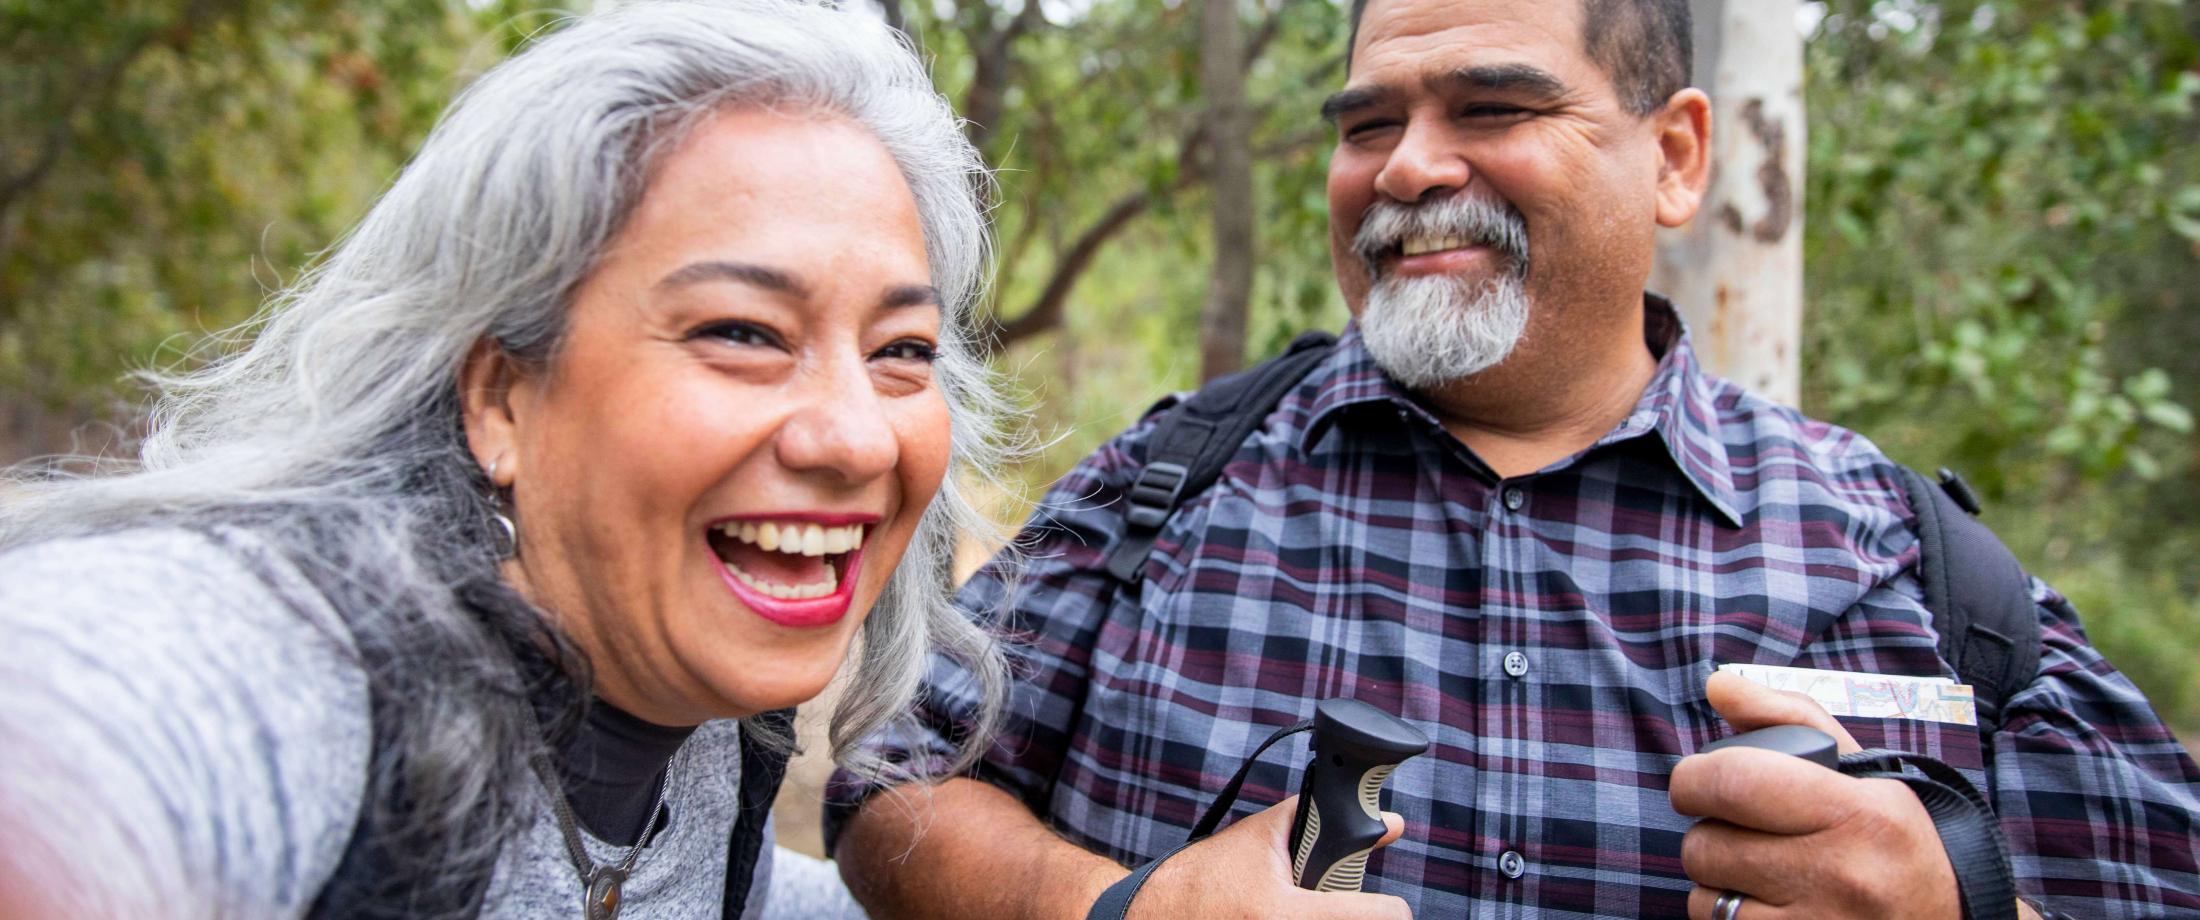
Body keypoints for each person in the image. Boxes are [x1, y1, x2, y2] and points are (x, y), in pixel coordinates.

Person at [825, 0, 2200, 917]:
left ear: (1675, 158)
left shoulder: (1910, 566)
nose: (1411, 167)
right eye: (1369, 124)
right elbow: (885, 788)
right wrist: (1116, 907)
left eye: (1491, 108)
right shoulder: (1163, 488)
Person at [0, 1, 1013, 917]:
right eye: (744, 331)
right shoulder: (299, 655)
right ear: (500, 399)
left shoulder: (700, 728)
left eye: (901, 351)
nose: (854, 436)